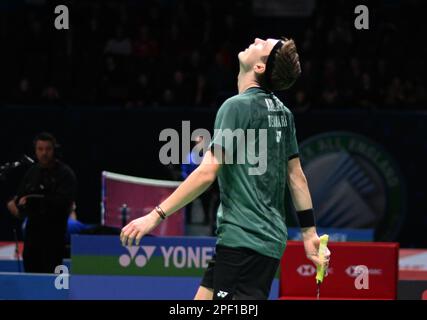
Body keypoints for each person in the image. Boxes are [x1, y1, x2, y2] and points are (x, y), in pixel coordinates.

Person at [120, 37, 331, 299]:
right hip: (255, 237)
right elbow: (296, 175)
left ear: (260, 68)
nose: (256, 40)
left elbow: (208, 172)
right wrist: (309, 233)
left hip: (247, 238)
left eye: (263, 44)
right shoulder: (282, 112)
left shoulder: (236, 106)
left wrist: (155, 216)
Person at [7, 132, 77, 273]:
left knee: (50, 278)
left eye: (48, 149)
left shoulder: (65, 174)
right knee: (31, 275)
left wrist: (37, 201)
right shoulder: (32, 172)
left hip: (54, 237)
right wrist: (16, 205)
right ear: (35, 151)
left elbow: (64, 203)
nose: (44, 153)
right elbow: (19, 198)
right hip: (32, 237)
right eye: (40, 149)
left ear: (54, 150)